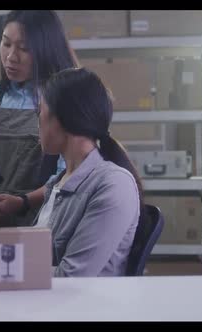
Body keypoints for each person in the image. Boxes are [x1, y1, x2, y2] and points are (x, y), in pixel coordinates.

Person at [0, 10, 78, 227]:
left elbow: (67, 175)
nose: (11, 57)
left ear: (45, 50)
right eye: (6, 43)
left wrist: (23, 202)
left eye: (24, 48)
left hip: (45, 223)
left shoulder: (63, 97)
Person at [31, 67, 143, 277]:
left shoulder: (113, 185)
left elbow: (71, 278)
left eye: (41, 112)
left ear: (61, 120)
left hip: (84, 308)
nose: (38, 122)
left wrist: (3, 267)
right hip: (46, 303)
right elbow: (34, 248)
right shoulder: (60, 182)